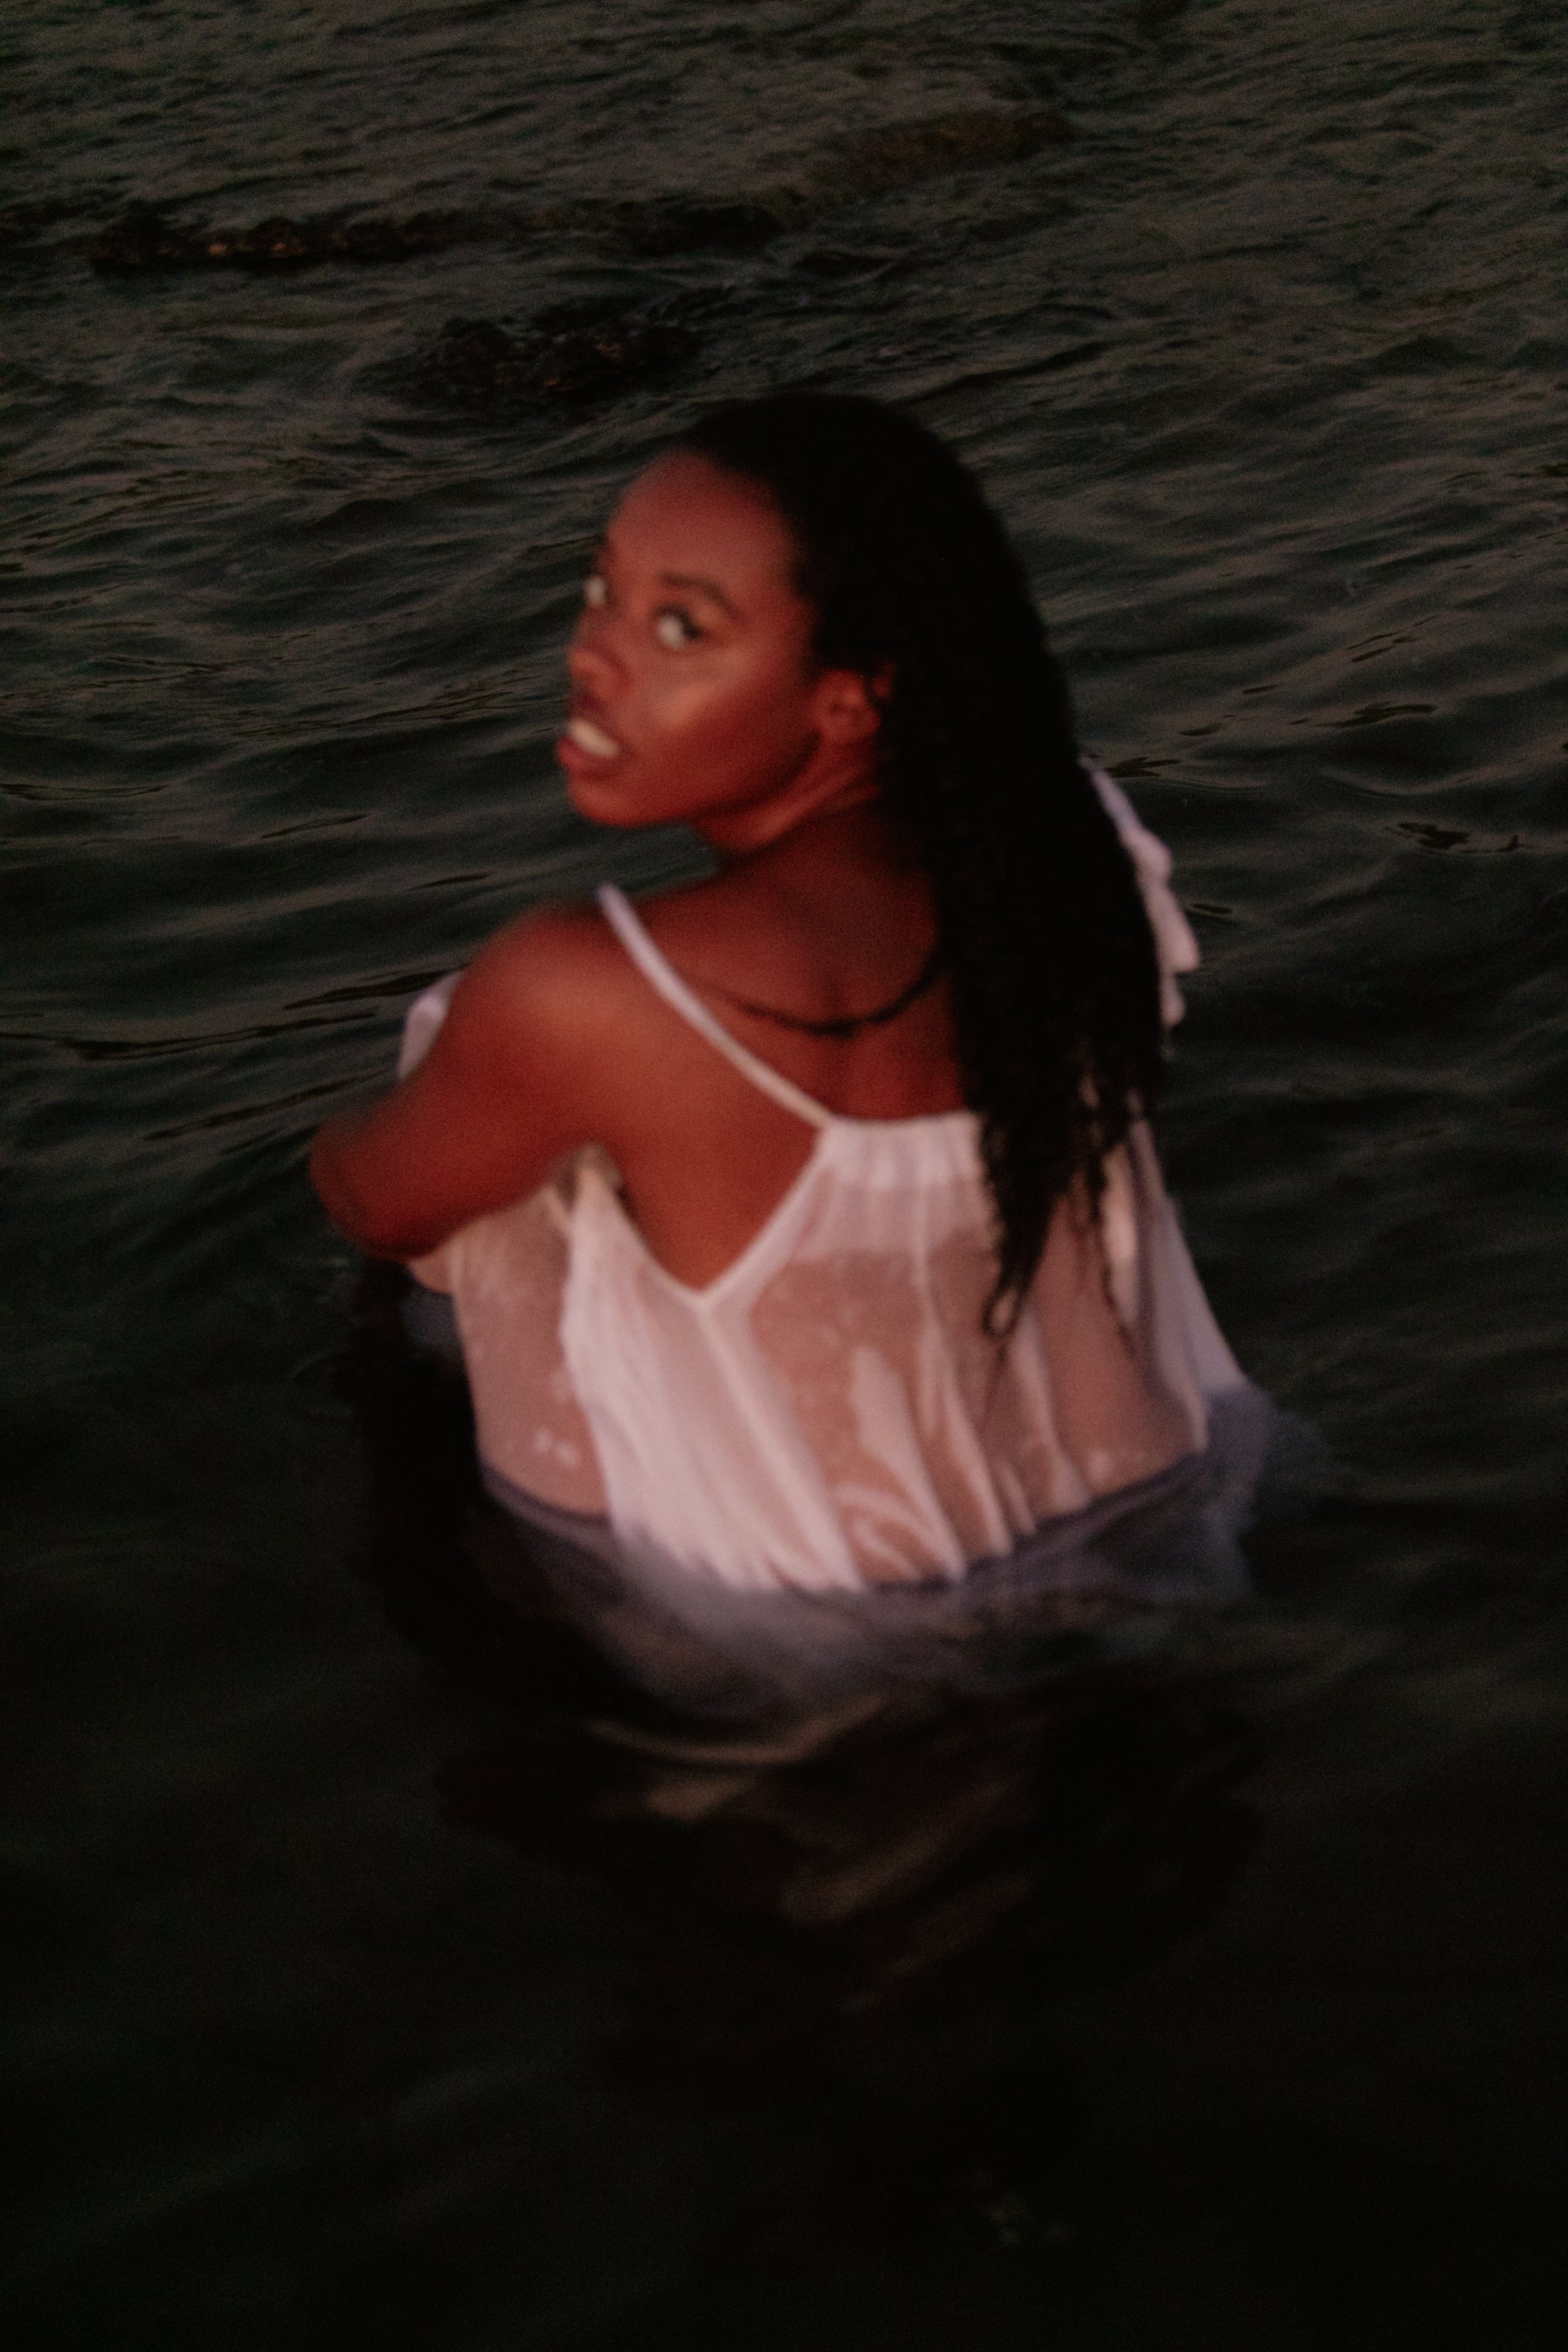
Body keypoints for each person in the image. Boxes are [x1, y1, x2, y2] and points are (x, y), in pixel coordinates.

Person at [311, 395, 1267, 1708]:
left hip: (807, 1649)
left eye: (679, 626)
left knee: (478, 1068)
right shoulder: (1066, 848)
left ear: (849, 700)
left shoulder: (595, 986)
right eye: (600, 588)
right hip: (1173, 1513)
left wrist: (443, 1083)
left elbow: (370, 1199)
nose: (593, 654)